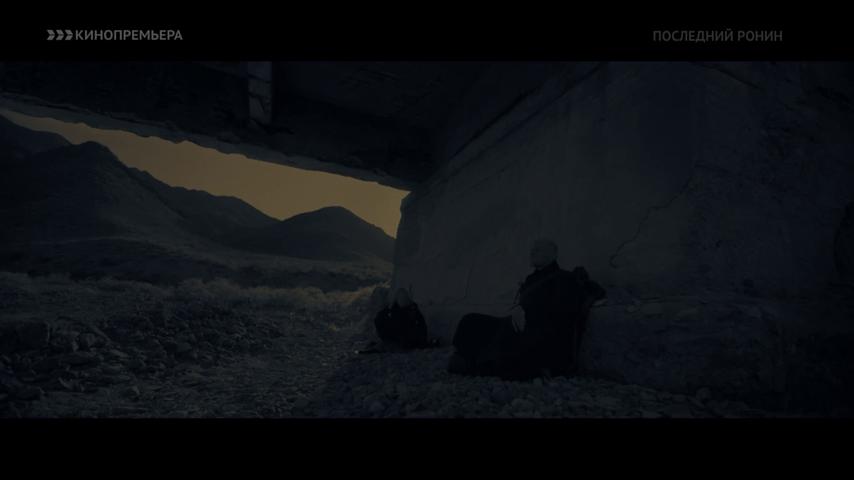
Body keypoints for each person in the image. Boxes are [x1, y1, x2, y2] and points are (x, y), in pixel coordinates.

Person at [448, 238, 606, 380]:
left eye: (538, 250)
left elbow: (561, 314)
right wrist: (518, 312)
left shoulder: (563, 278)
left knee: (509, 352)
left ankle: (477, 366)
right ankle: (463, 357)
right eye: (532, 249)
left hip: (538, 332)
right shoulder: (531, 279)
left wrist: (529, 317)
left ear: (553, 255)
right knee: (471, 320)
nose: (532, 252)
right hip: (515, 324)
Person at [364, 288, 430, 353]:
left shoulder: (411, 310)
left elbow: (422, 325)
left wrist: (421, 339)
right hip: (401, 340)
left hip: (408, 340)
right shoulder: (394, 312)